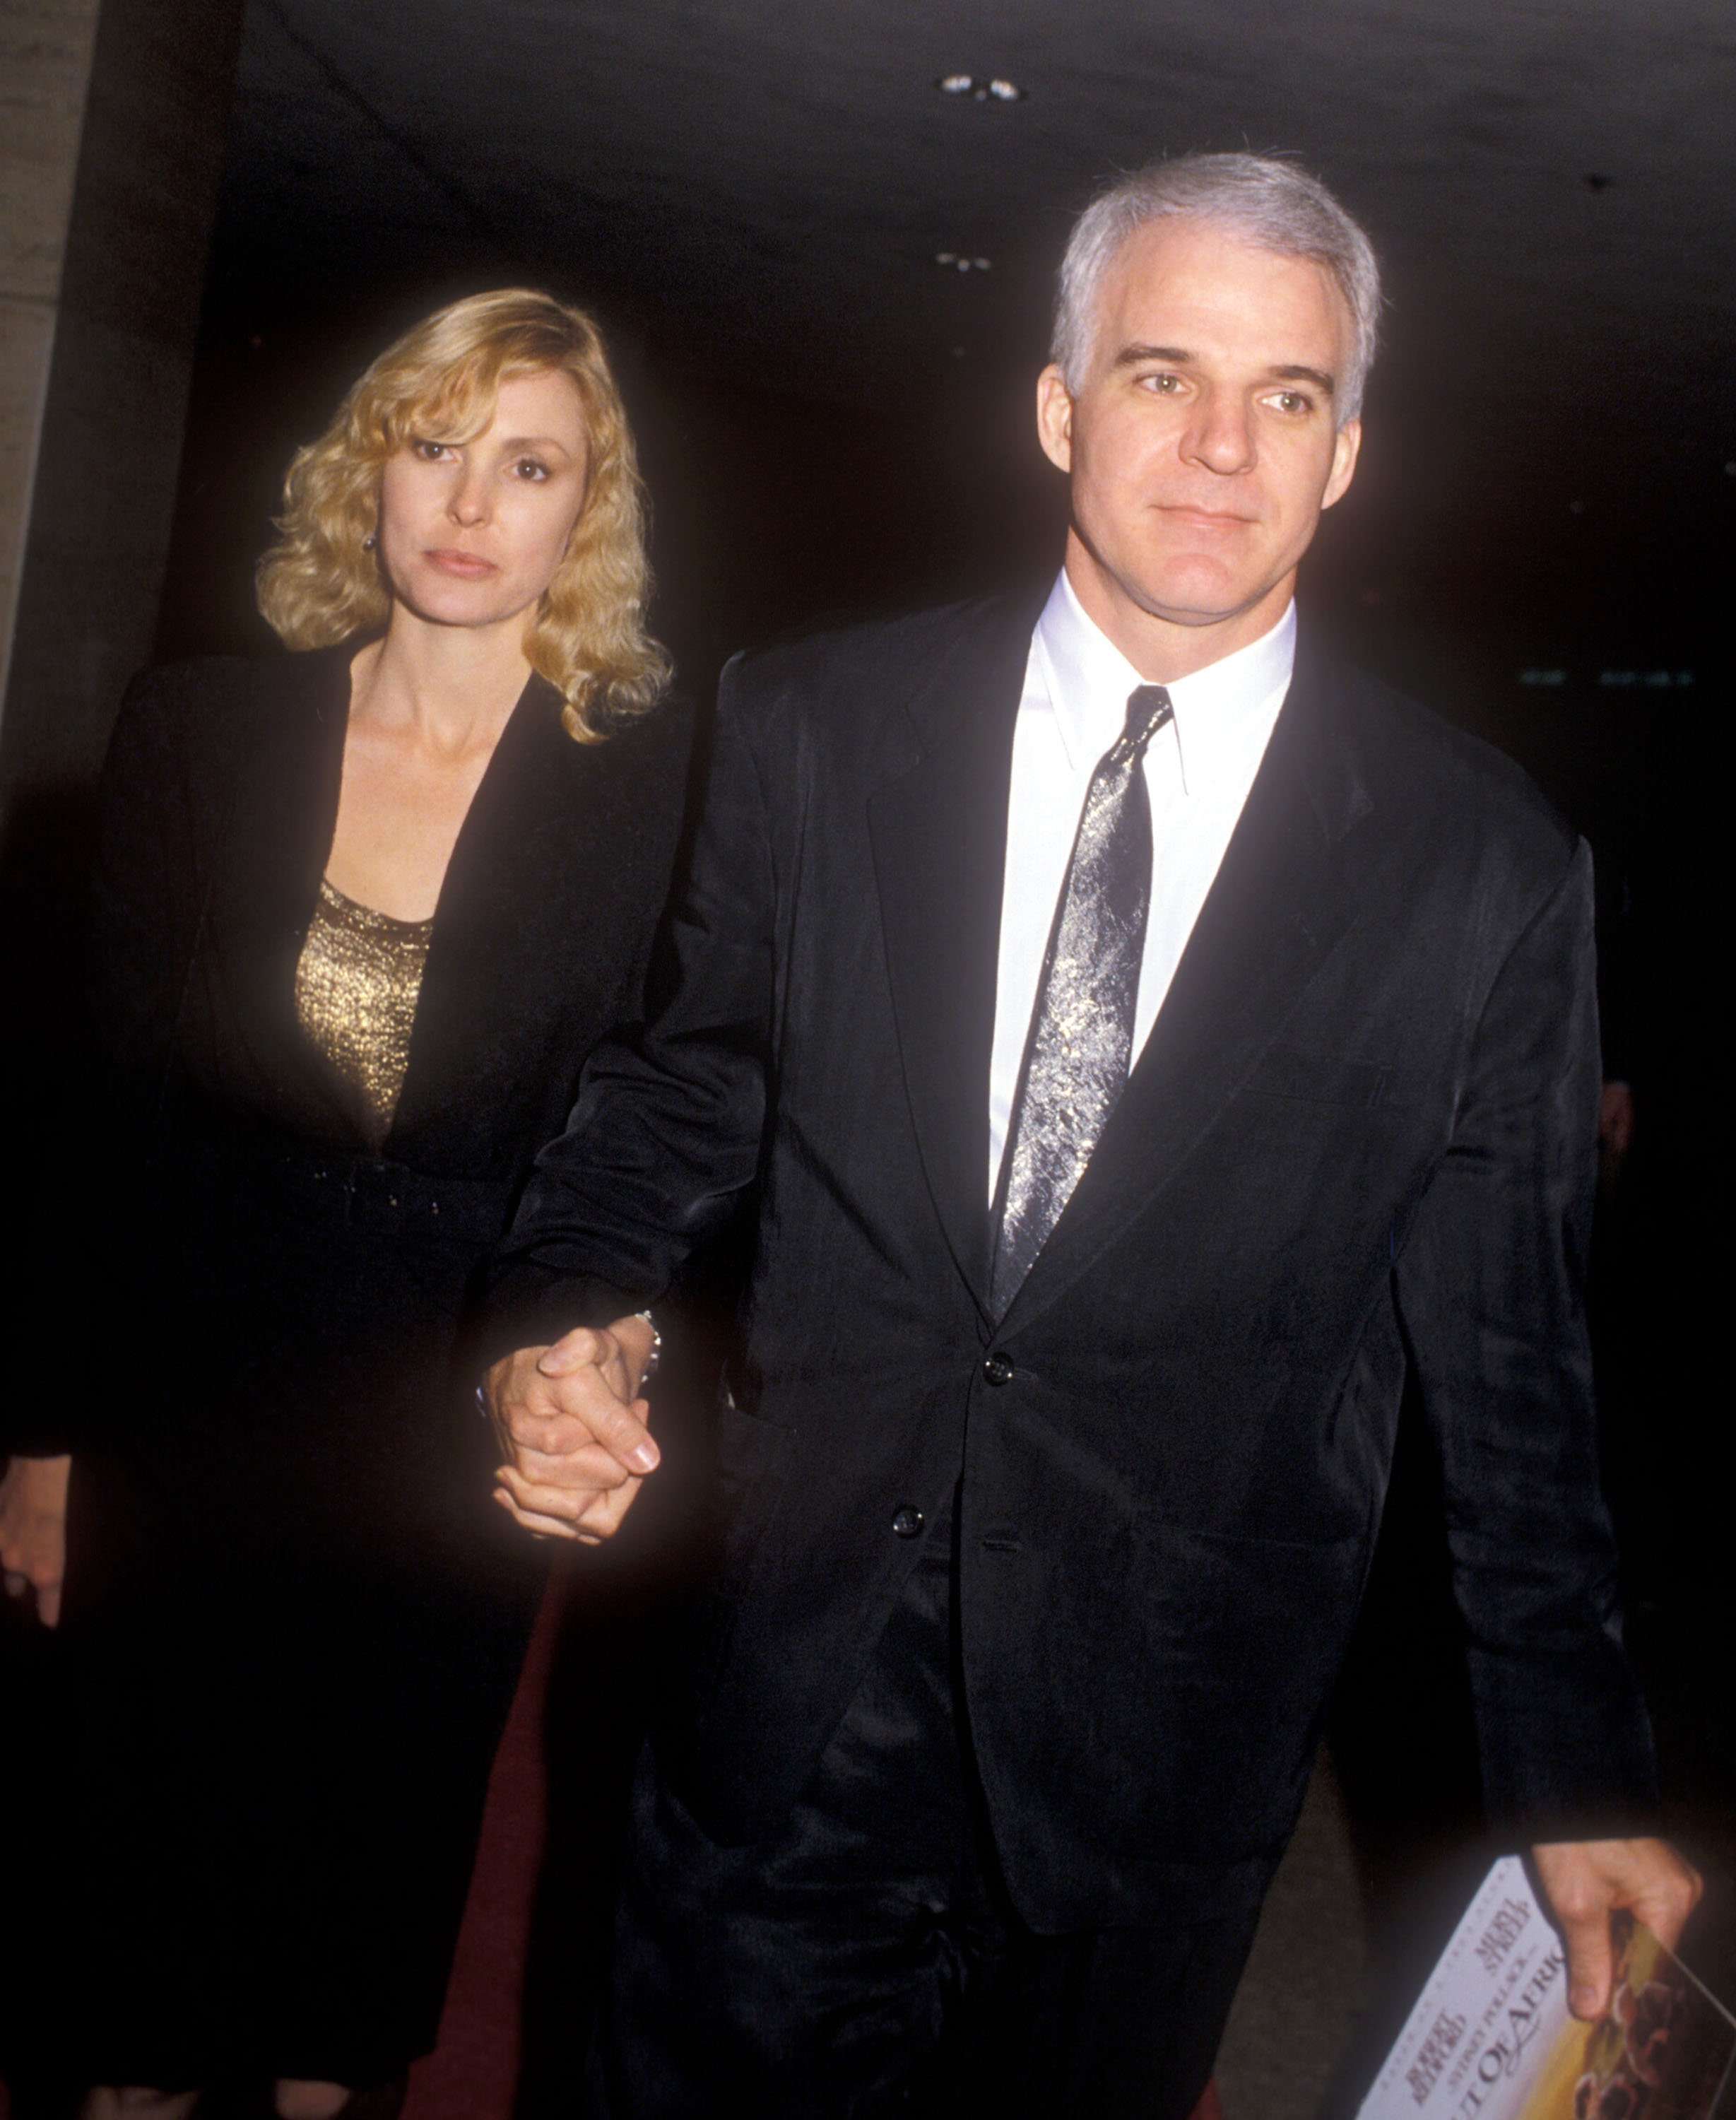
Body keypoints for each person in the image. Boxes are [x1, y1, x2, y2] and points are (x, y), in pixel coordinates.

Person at [481, 156, 1699, 2116]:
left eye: (1284, 397)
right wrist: (565, 1305)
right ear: (1058, 409)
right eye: (1159, 376)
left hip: (1158, 1760)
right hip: (788, 1693)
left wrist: (1567, 1769)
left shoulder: (1478, 869)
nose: (1221, 447)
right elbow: (686, 1079)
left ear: (1348, 451)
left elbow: (1510, 1381)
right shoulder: (809, 726)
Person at [0, 288, 689, 2119]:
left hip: (442, 1414)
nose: (469, 503)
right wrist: (45, 1439)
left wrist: (602, 1354)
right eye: (433, 443)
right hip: (185, 1403)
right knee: (132, 1895)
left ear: (582, 514)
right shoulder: (200, 728)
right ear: (364, 474)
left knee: (360, 1899)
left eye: (526, 463)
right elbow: (100, 1119)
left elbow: (667, 1120)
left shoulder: (661, 797)